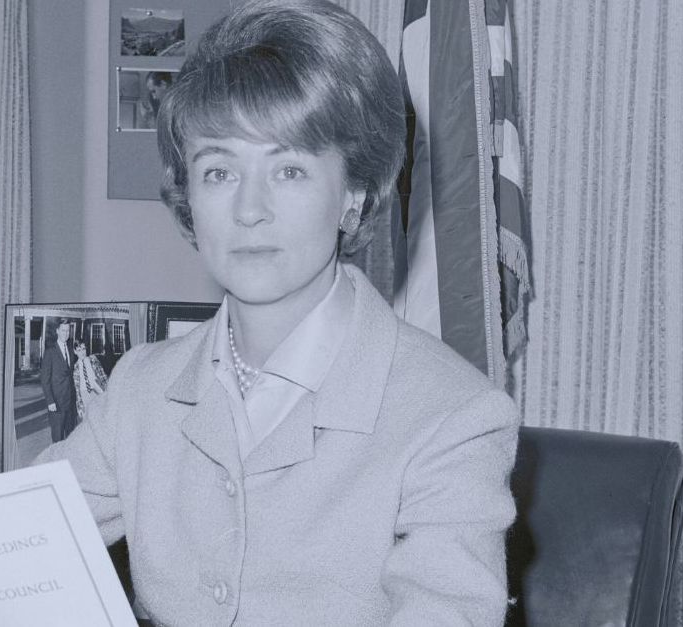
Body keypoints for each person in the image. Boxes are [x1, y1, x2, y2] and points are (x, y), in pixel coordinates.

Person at [35, 0, 521, 625]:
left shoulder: (454, 415)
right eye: (218, 171)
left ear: (355, 192)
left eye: (288, 169)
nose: (249, 209)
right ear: (188, 197)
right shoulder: (137, 390)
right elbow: (3, 542)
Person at [39, 322, 78, 442]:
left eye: (67, 331)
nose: (66, 333)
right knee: (58, 439)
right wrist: (50, 401)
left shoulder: (71, 351)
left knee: (71, 440)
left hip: (70, 404)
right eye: (63, 330)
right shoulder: (50, 352)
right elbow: (44, 380)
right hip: (57, 404)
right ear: (57, 331)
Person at [71, 342, 108, 423]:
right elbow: (77, 390)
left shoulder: (93, 360)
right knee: (87, 421)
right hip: (84, 395)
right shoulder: (75, 367)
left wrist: (107, 392)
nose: (82, 352)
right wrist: (79, 407)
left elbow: (103, 376)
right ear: (75, 352)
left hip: (96, 391)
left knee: (100, 418)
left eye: (84, 349)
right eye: (79, 350)